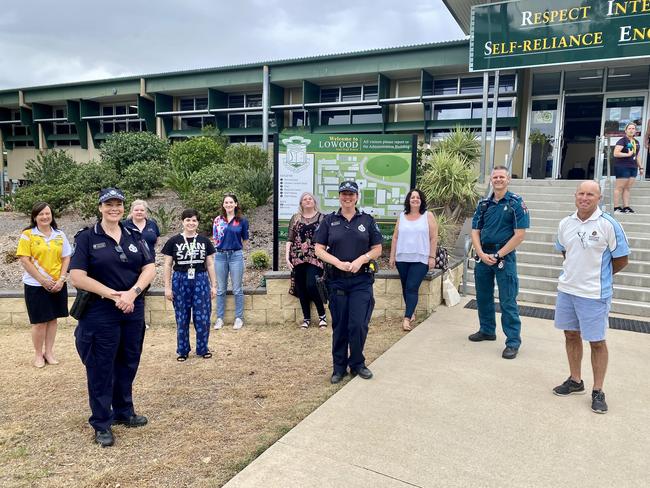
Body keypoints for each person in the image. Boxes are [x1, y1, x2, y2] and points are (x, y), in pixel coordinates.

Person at [69, 188, 156, 447]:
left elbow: (149, 267)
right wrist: (113, 295)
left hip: (132, 309)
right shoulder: (87, 237)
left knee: (128, 361)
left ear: (124, 208)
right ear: (100, 207)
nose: (114, 208)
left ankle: (123, 411)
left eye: (118, 204)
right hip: (100, 311)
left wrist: (132, 293)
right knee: (100, 367)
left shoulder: (133, 235)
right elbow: (77, 276)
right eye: (109, 204)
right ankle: (101, 422)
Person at [552, 181, 629, 414]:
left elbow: (621, 259)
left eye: (590, 194)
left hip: (594, 294)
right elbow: (565, 251)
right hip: (568, 290)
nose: (584, 198)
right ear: (575, 196)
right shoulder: (566, 223)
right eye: (581, 193)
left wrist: (598, 276)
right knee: (571, 335)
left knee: (597, 341)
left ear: (599, 198)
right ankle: (576, 381)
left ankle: (598, 390)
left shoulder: (609, 225)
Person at [314, 181, 383, 384]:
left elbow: (377, 248)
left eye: (351, 194)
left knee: (359, 324)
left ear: (357, 197)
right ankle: (339, 368)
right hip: (337, 282)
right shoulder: (329, 221)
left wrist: (361, 259)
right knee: (341, 326)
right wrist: (338, 263)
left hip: (361, 281)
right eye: (344, 194)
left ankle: (358, 364)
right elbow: (318, 249)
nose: (347, 197)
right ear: (339, 197)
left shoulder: (367, 220)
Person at [469, 166, 529, 360]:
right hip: (483, 254)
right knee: (483, 296)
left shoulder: (516, 203)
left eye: (502, 177)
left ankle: (512, 341)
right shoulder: (484, 204)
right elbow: (475, 230)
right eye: (495, 177)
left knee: (507, 300)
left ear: (508, 179)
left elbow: (520, 234)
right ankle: (487, 330)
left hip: (505, 255)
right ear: (491, 180)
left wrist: (498, 254)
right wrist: (479, 252)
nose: (498, 180)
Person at [16, 202, 72, 368]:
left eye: (48, 213)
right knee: (39, 321)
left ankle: (49, 352)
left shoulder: (60, 235)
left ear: (52, 215)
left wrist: (61, 280)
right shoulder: (28, 235)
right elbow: (24, 260)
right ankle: (38, 355)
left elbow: (66, 257)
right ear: (35, 216)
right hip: (35, 285)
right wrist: (42, 280)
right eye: (41, 214)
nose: (45, 217)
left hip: (57, 284)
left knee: (53, 320)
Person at [162, 209, 217, 361]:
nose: (191, 223)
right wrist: (167, 287)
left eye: (194, 220)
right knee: (182, 317)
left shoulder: (204, 241)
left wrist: (214, 285)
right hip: (180, 281)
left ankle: (202, 348)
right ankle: (182, 350)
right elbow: (167, 265)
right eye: (188, 220)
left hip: (200, 280)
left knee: (202, 317)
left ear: (197, 223)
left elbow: (210, 264)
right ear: (182, 222)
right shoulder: (173, 241)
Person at [389, 189, 438, 332]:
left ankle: (406, 318)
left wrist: (432, 256)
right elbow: (395, 237)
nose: (415, 199)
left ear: (421, 200)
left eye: (417, 197)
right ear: (408, 200)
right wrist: (392, 256)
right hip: (402, 257)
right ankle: (412, 312)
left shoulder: (427, 216)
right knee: (406, 287)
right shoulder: (402, 216)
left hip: (420, 258)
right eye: (412, 197)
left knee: (411, 286)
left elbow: (433, 237)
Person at [285, 192, 327, 329]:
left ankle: (322, 316)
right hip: (297, 258)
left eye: (310, 199)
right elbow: (290, 239)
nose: (308, 201)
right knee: (301, 288)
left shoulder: (322, 218)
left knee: (311, 284)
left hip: (315, 257)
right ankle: (306, 318)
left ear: (314, 202)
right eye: (305, 199)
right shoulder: (296, 218)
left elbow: (328, 238)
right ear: (301, 203)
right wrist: (286, 257)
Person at [212, 193, 249, 330]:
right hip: (220, 256)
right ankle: (219, 318)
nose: (228, 204)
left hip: (235, 256)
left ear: (236, 204)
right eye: (226, 202)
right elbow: (215, 238)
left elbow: (245, 239)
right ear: (223, 205)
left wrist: (237, 250)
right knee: (221, 289)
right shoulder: (218, 220)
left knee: (237, 289)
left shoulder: (242, 220)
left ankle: (239, 318)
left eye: (231, 202)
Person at [123, 199, 160, 329]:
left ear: (146, 212)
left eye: (142, 210)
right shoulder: (124, 225)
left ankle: (140, 320)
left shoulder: (152, 224)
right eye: (136, 210)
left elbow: (156, 241)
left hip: (148, 263)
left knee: (143, 289)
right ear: (131, 211)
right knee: (132, 289)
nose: (139, 212)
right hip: (130, 263)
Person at [613, 122, 644, 213]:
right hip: (622, 166)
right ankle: (616, 207)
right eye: (629, 128)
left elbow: (637, 156)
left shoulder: (636, 142)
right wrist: (627, 154)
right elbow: (616, 153)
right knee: (619, 187)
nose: (631, 130)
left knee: (627, 188)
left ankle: (626, 207)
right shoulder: (622, 140)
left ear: (636, 131)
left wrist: (641, 167)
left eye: (633, 128)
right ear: (626, 131)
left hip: (633, 167)